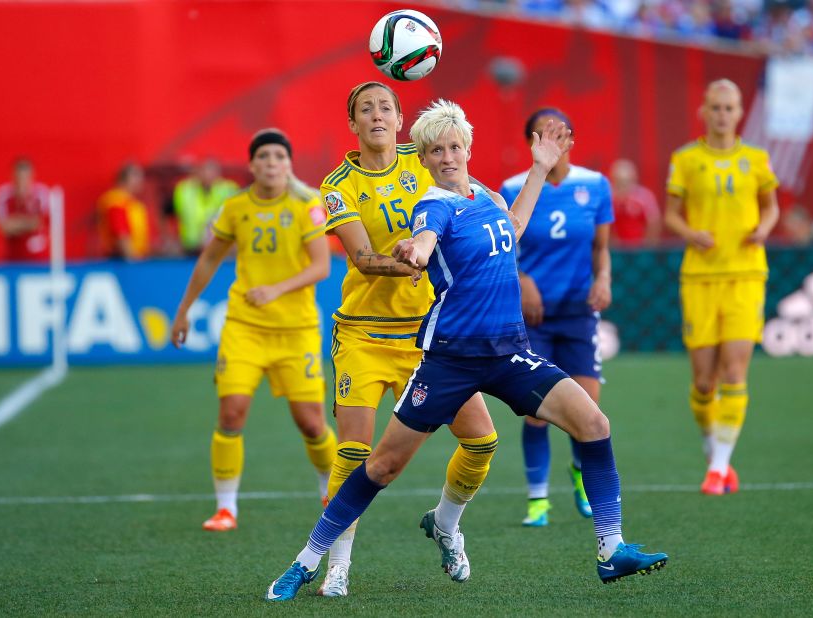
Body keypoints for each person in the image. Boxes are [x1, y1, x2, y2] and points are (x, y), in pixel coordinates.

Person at [265, 99, 667, 602]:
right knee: (381, 467)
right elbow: (426, 237)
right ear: (426, 160)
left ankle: (611, 550)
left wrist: (540, 169)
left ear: (467, 149)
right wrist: (417, 249)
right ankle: (307, 560)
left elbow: (514, 228)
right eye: (436, 150)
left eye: (455, 146)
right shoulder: (433, 204)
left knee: (595, 425)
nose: (447, 156)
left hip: (508, 355)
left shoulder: (488, 196)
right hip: (450, 360)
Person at [312, 81, 501, 598]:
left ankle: (446, 523)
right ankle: (338, 564)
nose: (377, 115)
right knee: (353, 452)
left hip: (432, 337)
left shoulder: (426, 159)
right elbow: (361, 259)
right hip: (365, 334)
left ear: (400, 120)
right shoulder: (338, 184)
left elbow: (480, 201)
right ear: (352, 124)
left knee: (482, 441)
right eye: (365, 109)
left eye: (386, 107)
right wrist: (413, 258)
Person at [170, 129, 336, 531]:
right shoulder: (235, 207)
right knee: (231, 413)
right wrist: (184, 310)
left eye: (279, 156)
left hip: (295, 329)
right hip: (245, 327)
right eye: (264, 156)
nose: (272, 163)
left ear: (289, 164)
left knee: (312, 423)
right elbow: (209, 260)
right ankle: (226, 508)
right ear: (251, 165)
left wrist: (276, 289)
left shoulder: (306, 204)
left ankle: (331, 492)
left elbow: (322, 266)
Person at [663, 79, 780, 496]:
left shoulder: (757, 159)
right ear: (704, 111)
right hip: (699, 276)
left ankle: (718, 467)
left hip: (746, 274)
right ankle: (716, 455)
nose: (722, 115)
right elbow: (671, 214)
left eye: (729, 108)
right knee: (703, 382)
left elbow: (771, 206)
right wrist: (691, 234)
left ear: (740, 112)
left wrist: (763, 230)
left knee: (734, 371)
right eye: (715, 108)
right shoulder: (686, 159)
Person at [498, 108, 613, 528]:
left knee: (587, 409)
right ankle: (538, 501)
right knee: (536, 411)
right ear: (531, 141)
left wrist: (604, 279)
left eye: (560, 133)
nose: (552, 140)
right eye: (542, 134)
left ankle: (581, 478)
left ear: (571, 139)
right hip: (533, 316)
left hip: (579, 313)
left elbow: (601, 248)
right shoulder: (513, 187)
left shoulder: (595, 185)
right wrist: (523, 279)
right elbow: (502, 247)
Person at [171, 157, 240, 256]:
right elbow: (170, 213)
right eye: (205, 170)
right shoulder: (184, 190)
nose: (208, 174)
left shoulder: (229, 190)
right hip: (190, 249)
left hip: (221, 249)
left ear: (218, 173)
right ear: (198, 172)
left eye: (212, 171)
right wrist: (171, 239)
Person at [0, 157, 52, 262]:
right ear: (13, 176)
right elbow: (5, 228)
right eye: (19, 177)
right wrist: (27, 223)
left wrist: (16, 222)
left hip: (39, 258)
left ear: (32, 175)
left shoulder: (41, 193)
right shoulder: (4, 194)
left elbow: (38, 223)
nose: (22, 181)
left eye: (25, 177)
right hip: (13, 257)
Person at [97, 162, 153, 260]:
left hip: (135, 257)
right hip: (122, 261)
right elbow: (120, 233)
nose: (140, 181)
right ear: (123, 179)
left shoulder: (134, 204)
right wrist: (132, 259)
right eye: (136, 177)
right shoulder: (116, 201)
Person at [610, 158, 662, 247]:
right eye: (619, 182)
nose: (623, 187)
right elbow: (604, 226)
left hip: (641, 250)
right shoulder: (609, 198)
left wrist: (649, 245)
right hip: (617, 250)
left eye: (626, 182)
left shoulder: (645, 197)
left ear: (634, 179)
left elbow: (654, 222)